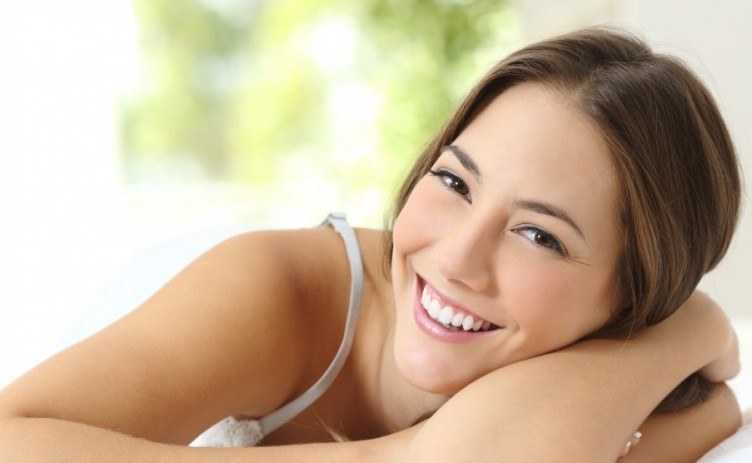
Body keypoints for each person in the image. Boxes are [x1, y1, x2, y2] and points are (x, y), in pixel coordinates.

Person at [0, 27, 743, 462]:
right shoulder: (278, 290)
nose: (456, 257)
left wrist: (685, 330)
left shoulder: (628, 368)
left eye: (537, 234)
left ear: (634, 301)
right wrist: (401, 454)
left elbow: (713, 411)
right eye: (454, 181)